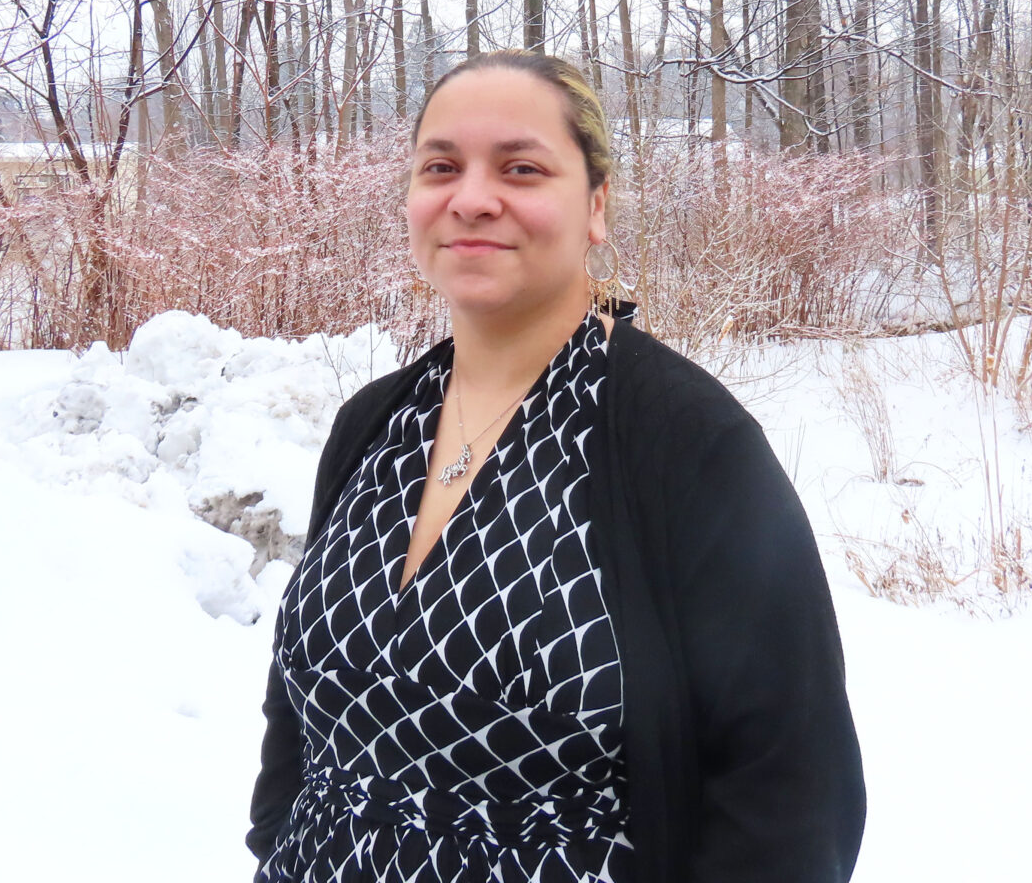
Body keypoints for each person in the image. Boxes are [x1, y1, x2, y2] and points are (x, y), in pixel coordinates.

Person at [247, 50, 866, 883]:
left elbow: (793, 796)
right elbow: (301, 706)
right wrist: (273, 839)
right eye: (441, 166)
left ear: (596, 205)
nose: (471, 197)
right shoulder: (372, 425)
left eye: (522, 167)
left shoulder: (689, 446)